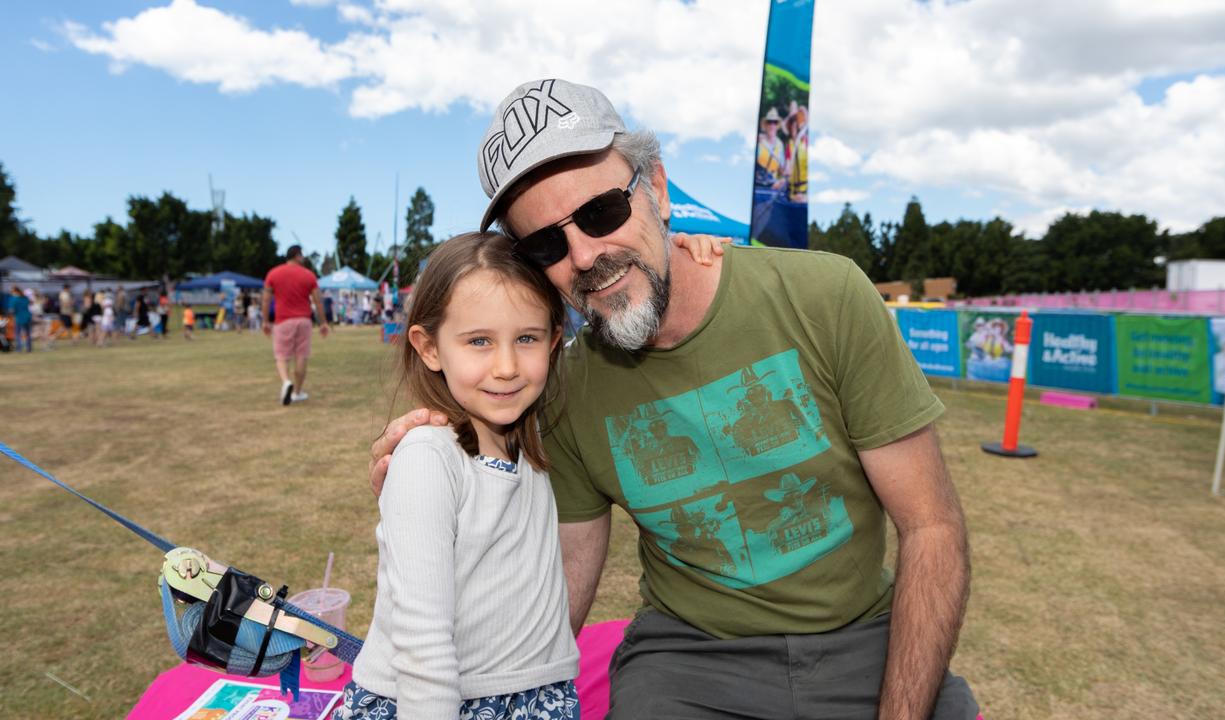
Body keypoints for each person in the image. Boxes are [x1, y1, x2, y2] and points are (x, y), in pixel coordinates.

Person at [371, 79, 976, 719]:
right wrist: (434, 457)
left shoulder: (825, 297)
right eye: (546, 244)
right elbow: (563, 574)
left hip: (864, 639)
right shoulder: (563, 386)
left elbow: (932, 526)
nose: (584, 255)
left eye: (601, 211)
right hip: (690, 662)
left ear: (655, 187)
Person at [338, 231, 580, 720]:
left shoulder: (530, 432)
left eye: (527, 338)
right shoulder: (429, 455)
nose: (508, 367)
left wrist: (691, 253)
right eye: (479, 341)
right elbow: (423, 644)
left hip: (533, 693)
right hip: (437, 701)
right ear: (430, 348)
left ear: (554, 343)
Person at [263, 244, 329, 405]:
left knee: (282, 356)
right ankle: (297, 392)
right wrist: (323, 322)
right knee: (301, 356)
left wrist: (265, 321)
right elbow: (318, 302)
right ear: (298, 256)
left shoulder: (273, 273)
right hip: (304, 320)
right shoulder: (309, 275)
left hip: (282, 320)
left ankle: (286, 381)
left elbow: (266, 299)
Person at [8, 286, 32, 353]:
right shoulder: (25, 298)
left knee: (18, 334)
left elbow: (11, 310)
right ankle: (29, 348)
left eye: (11, 291)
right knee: (28, 334)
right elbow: (30, 304)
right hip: (27, 317)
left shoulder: (13, 299)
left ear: (15, 291)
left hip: (19, 318)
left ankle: (19, 349)